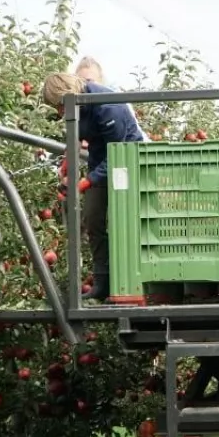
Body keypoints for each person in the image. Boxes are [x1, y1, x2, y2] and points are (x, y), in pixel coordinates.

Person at [42, 71, 144, 301]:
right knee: (92, 218)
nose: (59, 112)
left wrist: (86, 182)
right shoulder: (76, 106)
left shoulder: (106, 105)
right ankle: (103, 282)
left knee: (124, 223)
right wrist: (69, 158)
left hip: (129, 163)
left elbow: (117, 153)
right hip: (102, 163)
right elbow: (78, 134)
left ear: (66, 95)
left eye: (58, 106)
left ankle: (131, 283)